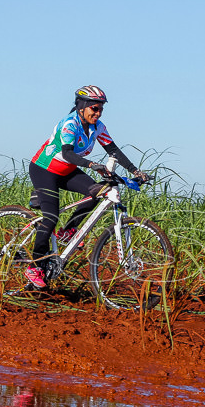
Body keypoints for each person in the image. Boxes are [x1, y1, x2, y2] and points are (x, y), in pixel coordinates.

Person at [25, 85, 149, 289]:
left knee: (101, 191)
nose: (98, 113)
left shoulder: (97, 126)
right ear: (82, 107)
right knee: (51, 216)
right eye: (94, 108)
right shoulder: (69, 124)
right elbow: (67, 153)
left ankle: (68, 231)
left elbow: (113, 149)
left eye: (101, 109)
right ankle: (34, 267)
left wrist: (136, 172)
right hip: (44, 169)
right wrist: (92, 165)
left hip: (67, 171)